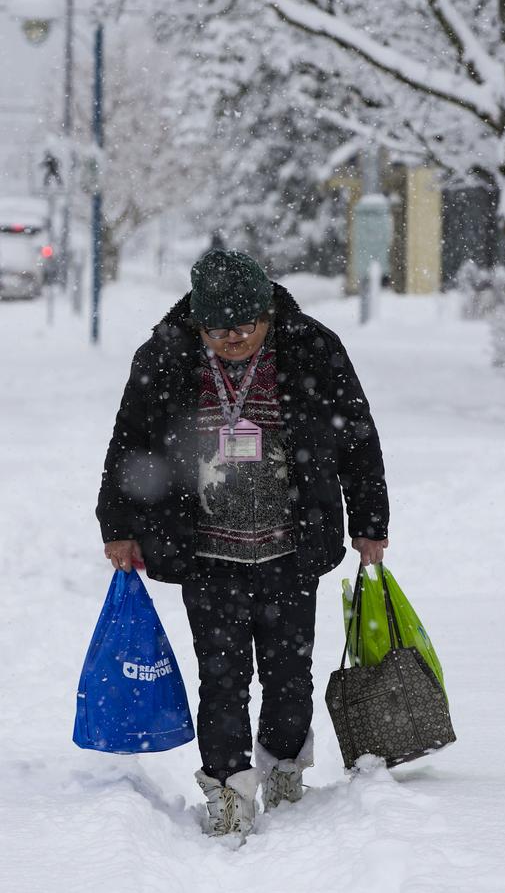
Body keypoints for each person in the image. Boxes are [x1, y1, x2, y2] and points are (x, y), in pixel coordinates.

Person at [96, 249, 389, 838]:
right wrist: (119, 526)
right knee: (221, 676)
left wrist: (370, 521)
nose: (235, 338)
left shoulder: (313, 348)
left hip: (290, 545)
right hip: (205, 550)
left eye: (247, 325)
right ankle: (227, 787)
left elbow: (358, 437)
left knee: (288, 674)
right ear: (199, 321)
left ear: (268, 314)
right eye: (219, 328)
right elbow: (129, 442)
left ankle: (283, 765)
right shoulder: (166, 356)